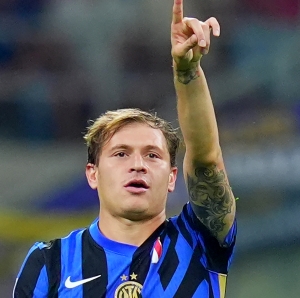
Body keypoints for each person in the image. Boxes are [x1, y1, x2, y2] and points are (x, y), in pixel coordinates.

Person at [13, 0, 237, 296]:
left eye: (153, 155)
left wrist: (188, 73)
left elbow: (206, 161)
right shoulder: (49, 262)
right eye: (120, 153)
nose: (138, 164)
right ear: (92, 174)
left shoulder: (198, 241)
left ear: (172, 177)